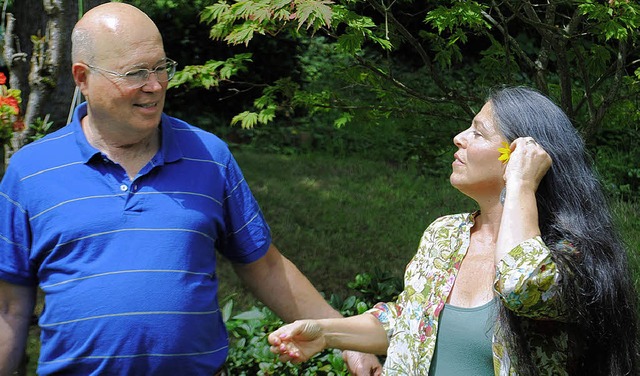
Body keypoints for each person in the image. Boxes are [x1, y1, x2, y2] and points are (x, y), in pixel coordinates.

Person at [0, 3, 382, 375]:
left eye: (161, 67)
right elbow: (9, 308)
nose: (155, 85)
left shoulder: (207, 156)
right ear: (82, 78)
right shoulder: (31, 171)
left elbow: (265, 266)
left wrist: (347, 338)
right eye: (135, 73)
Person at [268, 86, 640, 375]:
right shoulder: (444, 234)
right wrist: (325, 333)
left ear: (520, 154)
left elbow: (521, 285)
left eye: (477, 132)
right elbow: (409, 320)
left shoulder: (567, 253)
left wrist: (521, 185)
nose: (458, 137)